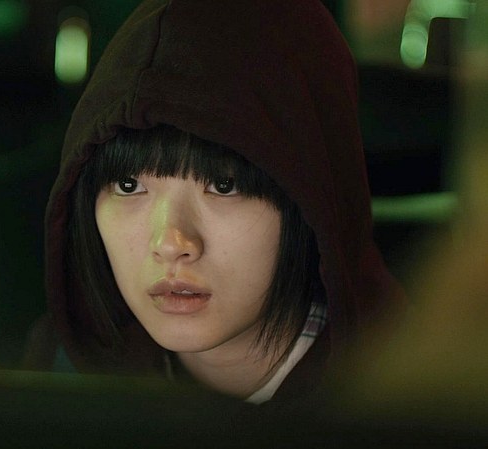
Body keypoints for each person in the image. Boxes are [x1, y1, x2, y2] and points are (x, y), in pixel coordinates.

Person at [24, 0, 406, 404]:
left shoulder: (415, 391)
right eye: (128, 185)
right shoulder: (60, 371)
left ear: (311, 199)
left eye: (224, 186)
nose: (170, 243)